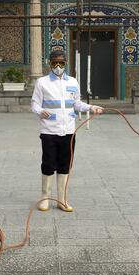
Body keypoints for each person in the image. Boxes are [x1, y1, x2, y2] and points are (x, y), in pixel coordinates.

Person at [31, 50, 103, 212]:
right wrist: (40, 111)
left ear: (65, 64)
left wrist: (91, 107)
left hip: (68, 131)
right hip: (49, 131)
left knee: (65, 165)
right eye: (54, 63)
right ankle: (45, 198)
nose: (58, 66)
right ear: (49, 63)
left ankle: (62, 199)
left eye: (61, 63)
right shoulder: (42, 82)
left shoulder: (72, 82)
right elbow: (34, 104)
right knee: (48, 164)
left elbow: (77, 103)